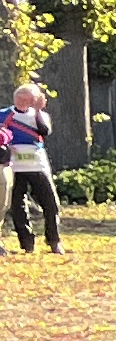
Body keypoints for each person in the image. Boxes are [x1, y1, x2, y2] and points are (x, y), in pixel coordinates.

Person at [2, 84, 57, 253]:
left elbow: (44, 131)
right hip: (14, 167)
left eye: (27, 99)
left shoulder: (40, 116)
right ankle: (27, 242)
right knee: (17, 205)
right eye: (20, 98)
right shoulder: (4, 114)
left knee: (50, 203)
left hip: (37, 164)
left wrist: (38, 111)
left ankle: (54, 240)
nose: (23, 102)